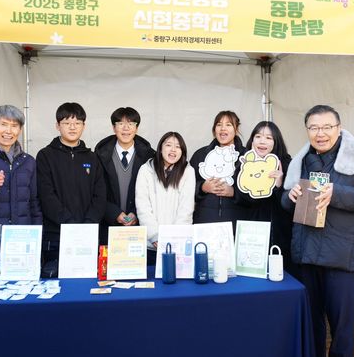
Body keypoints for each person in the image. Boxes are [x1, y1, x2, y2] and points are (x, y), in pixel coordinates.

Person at [282, 105, 354, 357]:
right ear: (307, 130)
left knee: (342, 330)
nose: (321, 133)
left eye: (327, 127)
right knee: (312, 326)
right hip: (306, 255)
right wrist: (289, 196)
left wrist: (337, 193)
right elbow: (285, 202)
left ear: (339, 129)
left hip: (340, 258)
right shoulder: (300, 161)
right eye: (314, 128)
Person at [36, 102, 106, 278]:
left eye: (77, 123)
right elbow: (46, 195)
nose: (72, 127)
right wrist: (68, 223)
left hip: (88, 234)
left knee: (87, 284)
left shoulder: (92, 157)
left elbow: (100, 195)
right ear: (57, 125)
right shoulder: (45, 156)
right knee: (56, 285)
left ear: (84, 126)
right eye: (67, 123)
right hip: (56, 236)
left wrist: (89, 223)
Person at [239, 121, 296, 276]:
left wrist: (279, 185)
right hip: (251, 234)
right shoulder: (244, 163)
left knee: (281, 276)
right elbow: (239, 198)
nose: (262, 141)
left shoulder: (287, 164)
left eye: (268, 138)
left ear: (276, 142)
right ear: (252, 140)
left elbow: (291, 204)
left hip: (280, 233)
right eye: (258, 136)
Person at [95, 107, 155, 245]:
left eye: (131, 123)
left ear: (137, 128)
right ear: (114, 128)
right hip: (108, 225)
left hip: (139, 226)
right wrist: (114, 213)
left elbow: (154, 192)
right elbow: (96, 190)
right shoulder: (99, 155)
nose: (126, 128)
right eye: (120, 123)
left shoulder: (150, 157)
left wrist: (136, 213)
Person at [135, 132, 195, 263]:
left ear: (182, 152)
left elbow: (186, 209)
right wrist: (155, 236)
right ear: (160, 148)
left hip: (177, 245)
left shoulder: (188, 172)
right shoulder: (145, 170)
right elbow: (143, 206)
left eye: (178, 146)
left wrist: (175, 238)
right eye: (168, 145)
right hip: (150, 245)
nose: (173, 149)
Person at [189, 110, 247, 229]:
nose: (223, 128)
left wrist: (234, 193)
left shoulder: (246, 156)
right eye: (219, 124)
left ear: (236, 129)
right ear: (214, 129)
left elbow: (255, 195)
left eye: (228, 125)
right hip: (204, 221)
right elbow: (185, 188)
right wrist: (202, 188)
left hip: (236, 222)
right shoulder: (200, 155)